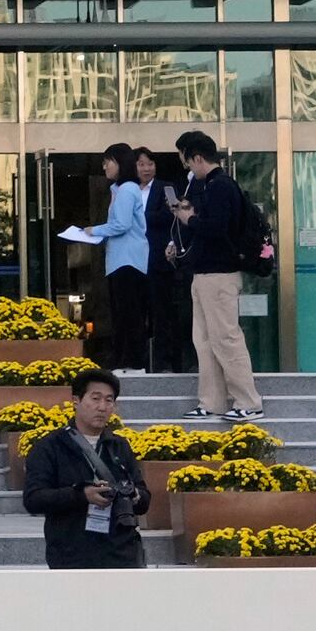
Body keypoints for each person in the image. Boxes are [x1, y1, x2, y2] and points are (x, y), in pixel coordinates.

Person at [166, 130, 265, 422]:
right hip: (205, 274)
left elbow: (217, 229)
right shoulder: (207, 187)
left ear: (197, 157)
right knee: (205, 340)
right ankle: (212, 401)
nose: (187, 168)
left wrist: (189, 218)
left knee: (226, 338)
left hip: (220, 275)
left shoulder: (221, 186)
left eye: (187, 161)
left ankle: (249, 401)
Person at [20, 371, 146, 569]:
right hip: (71, 556)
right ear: (76, 401)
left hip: (121, 555)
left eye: (109, 400)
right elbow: (33, 499)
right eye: (95, 399)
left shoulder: (119, 446)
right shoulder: (50, 446)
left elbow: (144, 499)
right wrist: (82, 495)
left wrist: (136, 495)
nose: (102, 407)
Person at [64, 142, 151, 372]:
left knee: (129, 313)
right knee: (121, 313)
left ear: (119, 163)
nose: (104, 167)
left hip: (128, 261)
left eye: (108, 161)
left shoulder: (128, 189)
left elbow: (121, 224)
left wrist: (94, 230)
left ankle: (133, 362)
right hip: (120, 261)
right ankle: (125, 360)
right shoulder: (119, 190)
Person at [140, 147, 191, 376]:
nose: (146, 168)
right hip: (135, 259)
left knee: (163, 314)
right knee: (139, 314)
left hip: (159, 259)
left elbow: (170, 217)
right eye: (141, 164)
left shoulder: (166, 188)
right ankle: (139, 362)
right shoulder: (126, 189)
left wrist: (136, 217)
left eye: (150, 163)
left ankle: (164, 363)